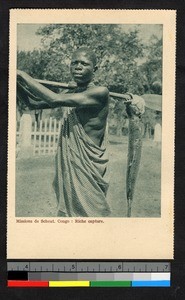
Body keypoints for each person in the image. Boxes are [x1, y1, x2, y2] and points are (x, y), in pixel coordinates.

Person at [17, 47, 144, 217]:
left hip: (88, 168)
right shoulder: (73, 91)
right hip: (72, 164)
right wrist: (14, 83)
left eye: (84, 63)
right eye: (74, 63)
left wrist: (22, 75)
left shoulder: (100, 92)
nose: (77, 67)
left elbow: (54, 99)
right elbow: (33, 103)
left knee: (91, 217)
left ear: (95, 69)